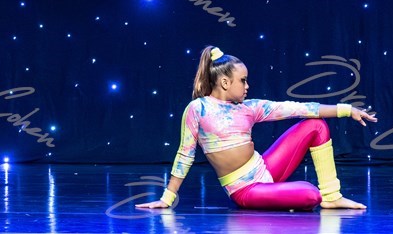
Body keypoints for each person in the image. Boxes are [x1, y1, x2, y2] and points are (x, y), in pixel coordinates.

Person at [135, 45, 377, 211]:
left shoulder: (249, 107)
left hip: (266, 169)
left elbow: (297, 108)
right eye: (243, 81)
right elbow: (185, 154)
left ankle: (332, 197)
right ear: (225, 82)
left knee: (316, 125)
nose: (247, 86)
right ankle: (307, 196)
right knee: (311, 194)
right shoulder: (198, 109)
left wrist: (347, 109)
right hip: (245, 190)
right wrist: (167, 198)